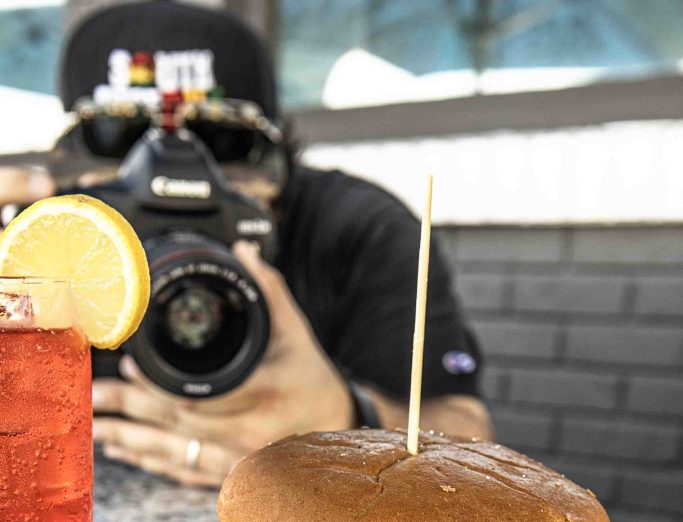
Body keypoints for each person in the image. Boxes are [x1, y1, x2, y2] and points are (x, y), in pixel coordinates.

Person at [1, 0, 492, 487]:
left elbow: (472, 440)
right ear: (67, 186)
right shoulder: (34, 240)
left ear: (278, 166)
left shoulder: (357, 228)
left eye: (220, 141)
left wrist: (345, 420)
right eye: (116, 137)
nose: (172, 169)